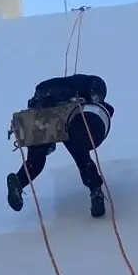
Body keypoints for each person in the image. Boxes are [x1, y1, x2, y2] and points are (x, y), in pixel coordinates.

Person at [6, 73, 114, 219]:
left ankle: (18, 183)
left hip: (40, 106)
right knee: (81, 155)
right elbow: (97, 108)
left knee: (35, 161)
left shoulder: (62, 83)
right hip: (68, 112)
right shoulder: (92, 84)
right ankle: (96, 192)